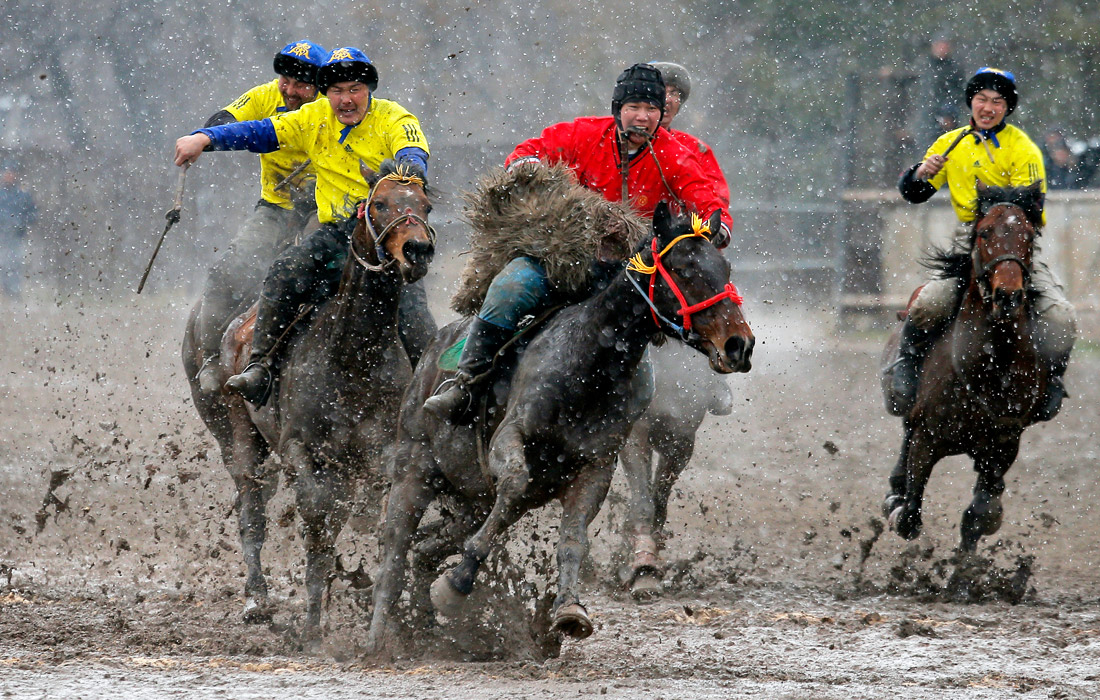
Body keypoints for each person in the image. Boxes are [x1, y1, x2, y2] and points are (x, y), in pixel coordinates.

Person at [424, 63, 731, 423]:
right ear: (618, 109)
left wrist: (717, 227)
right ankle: (465, 384)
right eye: (634, 107)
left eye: (651, 109)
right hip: (562, 258)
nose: (642, 117)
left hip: (627, 278)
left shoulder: (676, 154)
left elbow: (707, 200)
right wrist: (526, 168)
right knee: (509, 287)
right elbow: (527, 153)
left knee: (644, 390)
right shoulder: (582, 134)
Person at [175, 47, 433, 405]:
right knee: (283, 272)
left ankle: (430, 392)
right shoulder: (311, 117)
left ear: (368, 91)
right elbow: (260, 131)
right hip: (336, 232)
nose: (346, 99)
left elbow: (412, 151)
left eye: (354, 89)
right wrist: (205, 138)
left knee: (413, 312)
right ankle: (260, 367)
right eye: (337, 91)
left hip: (383, 234)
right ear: (326, 93)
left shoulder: (395, 118)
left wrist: (409, 171)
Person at [895, 67, 1076, 421]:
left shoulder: (1024, 149)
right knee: (928, 303)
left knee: (1061, 316)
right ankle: (907, 366)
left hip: (1014, 242)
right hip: (969, 239)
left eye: (997, 101)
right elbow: (913, 194)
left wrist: (987, 202)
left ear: (1007, 108)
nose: (988, 107)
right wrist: (921, 173)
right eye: (982, 99)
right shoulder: (949, 144)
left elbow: (1028, 206)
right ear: (971, 103)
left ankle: (1053, 380)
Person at [192, 39, 327, 394]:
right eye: (285, 81)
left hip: (327, 212)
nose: (290, 91)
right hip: (276, 209)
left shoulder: (335, 108)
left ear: (319, 85)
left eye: (301, 85)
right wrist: (205, 137)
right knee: (226, 272)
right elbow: (225, 119)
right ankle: (210, 359)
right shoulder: (264, 96)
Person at [0, 158, 37, 299]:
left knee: (14, 265)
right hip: (2, 238)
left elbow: (32, 214)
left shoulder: (23, 195)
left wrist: (20, 223)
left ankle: (13, 293)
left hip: (17, 238)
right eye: (6, 172)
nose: (9, 176)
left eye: (11, 173)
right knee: (3, 264)